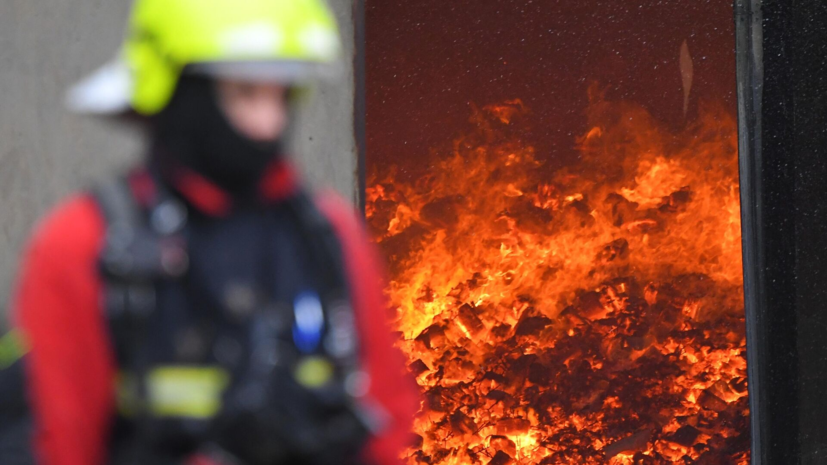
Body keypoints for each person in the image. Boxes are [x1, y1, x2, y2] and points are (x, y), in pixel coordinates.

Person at [6, 0, 420, 463]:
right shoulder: (84, 244)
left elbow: (384, 417)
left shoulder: (325, 236)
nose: (269, 123)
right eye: (245, 93)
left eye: (281, 95)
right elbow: (55, 441)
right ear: (180, 91)